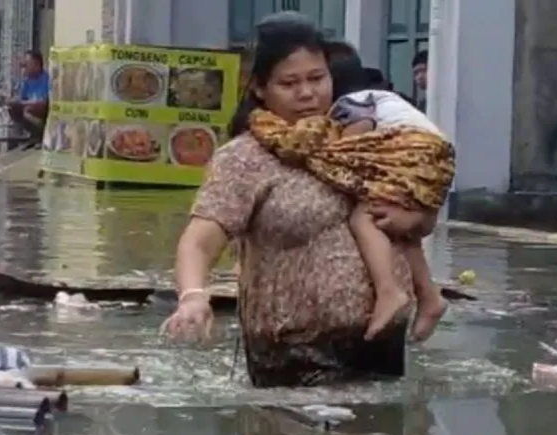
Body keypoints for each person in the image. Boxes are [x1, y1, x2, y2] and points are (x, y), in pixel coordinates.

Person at [162, 12, 437, 388]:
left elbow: (417, 216)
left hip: (380, 341)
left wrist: (415, 221)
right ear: (260, 88)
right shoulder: (245, 158)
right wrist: (193, 296)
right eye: (289, 83)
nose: (307, 93)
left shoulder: (363, 139)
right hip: (291, 350)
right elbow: (199, 240)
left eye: (317, 78)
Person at [317, 53, 451, 341]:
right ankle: (429, 297)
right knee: (395, 225)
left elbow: (351, 151)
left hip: (413, 151)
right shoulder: (380, 98)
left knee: (364, 217)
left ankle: (389, 291)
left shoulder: (347, 105)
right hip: (434, 155)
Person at [5, 51, 49, 146]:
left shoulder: (46, 79)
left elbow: (43, 103)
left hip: (42, 113)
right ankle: (25, 136)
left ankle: (41, 134)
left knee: (28, 110)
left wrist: (24, 104)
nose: (24, 68)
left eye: (26, 65)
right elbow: (21, 98)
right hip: (29, 109)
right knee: (13, 108)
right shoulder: (27, 81)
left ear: (36, 65)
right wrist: (12, 101)